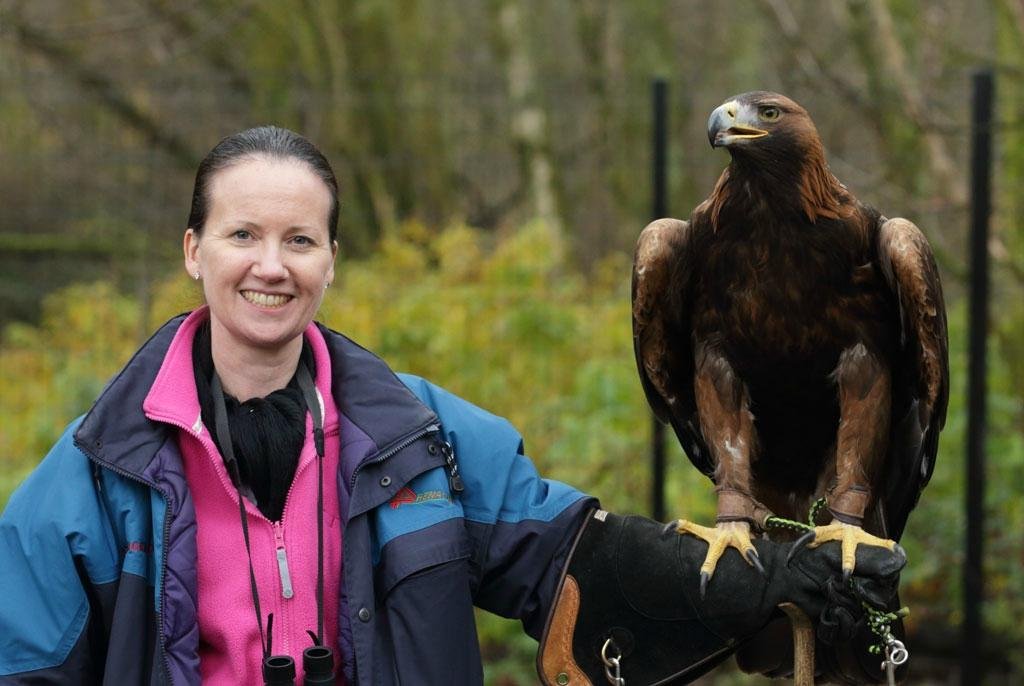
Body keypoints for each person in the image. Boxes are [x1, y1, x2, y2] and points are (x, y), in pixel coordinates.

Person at [0, 127, 904, 685]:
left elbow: (566, 556)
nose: (270, 266)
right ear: (194, 250)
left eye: (300, 239)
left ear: (330, 262)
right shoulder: (94, 473)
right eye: (244, 235)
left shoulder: (417, 433)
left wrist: (751, 584)